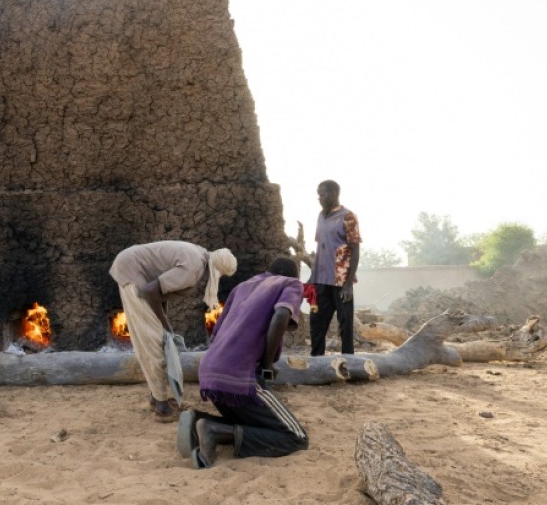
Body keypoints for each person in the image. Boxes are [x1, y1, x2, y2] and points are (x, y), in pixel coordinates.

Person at [178, 256, 309, 469]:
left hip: (210, 371)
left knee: (253, 419)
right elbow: (281, 315)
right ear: (293, 275)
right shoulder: (290, 283)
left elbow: (217, 331)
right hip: (238, 375)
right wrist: (267, 364)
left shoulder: (242, 286)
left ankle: (197, 420)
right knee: (296, 437)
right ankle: (214, 430)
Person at [110, 240, 237, 423]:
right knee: (153, 343)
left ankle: (156, 397)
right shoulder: (193, 270)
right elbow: (151, 290)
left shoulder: (200, 255)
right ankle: (161, 406)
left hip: (131, 266)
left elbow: (160, 290)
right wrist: (165, 325)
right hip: (131, 271)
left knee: (158, 337)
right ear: (217, 270)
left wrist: (164, 324)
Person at [304, 179, 361, 356]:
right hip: (321, 281)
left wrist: (348, 284)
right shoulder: (321, 216)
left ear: (334, 194)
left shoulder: (347, 216)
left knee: (345, 325)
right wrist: (312, 278)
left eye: (322, 194)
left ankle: (349, 364)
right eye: (318, 195)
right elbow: (320, 248)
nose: (319, 198)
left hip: (341, 281)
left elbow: (355, 249)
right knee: (316, 323)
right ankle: (317, 363)